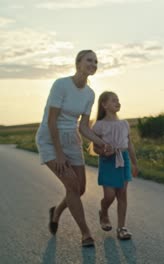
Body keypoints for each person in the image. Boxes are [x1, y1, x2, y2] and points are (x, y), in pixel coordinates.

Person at [35, 50, 109, 247]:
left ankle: (56, 212)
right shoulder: (61, 84)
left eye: (96, 61)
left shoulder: (90, 94)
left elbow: (83, 127)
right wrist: (59, 154)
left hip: (72, 141)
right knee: (72, 186)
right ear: (78, 63)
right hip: (51, 139)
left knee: (80, 189)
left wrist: (102, 142)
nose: (93, 64)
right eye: (89, 60)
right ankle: (86, 233)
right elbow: (51, 121)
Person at [91, 91, 138, 240]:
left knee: (122, 194)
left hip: (123, 159)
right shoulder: (99, 125)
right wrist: (104, 152)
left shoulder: (124, 124)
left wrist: (135, 163)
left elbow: (129, 144)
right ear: (104, 105)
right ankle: (103, 212)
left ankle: (121, 228)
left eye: (118, 100)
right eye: (113, 100)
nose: (117, 102)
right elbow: (95, 147)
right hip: (108, 161)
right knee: (109, 195)